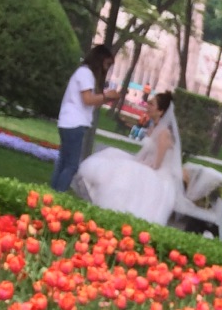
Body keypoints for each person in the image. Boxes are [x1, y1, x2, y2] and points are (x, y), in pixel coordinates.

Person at [72, 91, 182, 226]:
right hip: (149, 165)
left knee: (127, 172)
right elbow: (146, 154)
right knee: (113, 155)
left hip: (160, 174)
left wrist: (140, 165)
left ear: (160, 111)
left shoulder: (163, 133)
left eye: (152, 104)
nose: (147, 106)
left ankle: (112, 207)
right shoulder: (153, 128)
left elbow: (157, 165)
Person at [52, 44, 118, 193]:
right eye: (107, 64)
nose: (106, 69)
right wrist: (107, 95)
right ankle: (58, 193)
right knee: (71, 165)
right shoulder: (85, 73)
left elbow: (91, 104)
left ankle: (52, 192)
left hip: (70, 122)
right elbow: (88, 100)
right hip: (74, 123)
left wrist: (105, 99)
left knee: (63, 162)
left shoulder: (83, 73)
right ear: (100, 59)